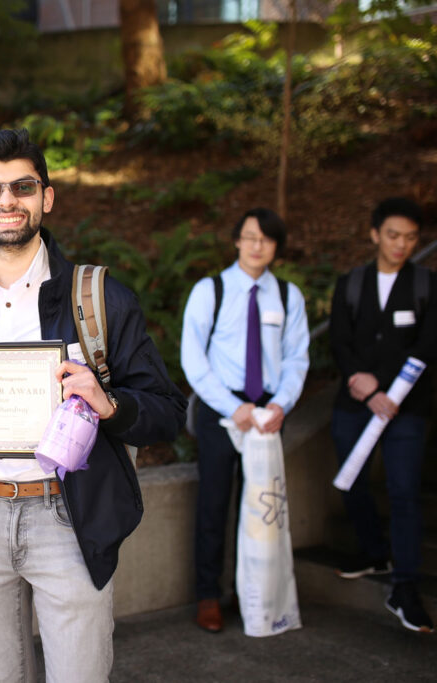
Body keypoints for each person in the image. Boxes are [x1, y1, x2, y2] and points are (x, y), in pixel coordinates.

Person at [0, 129, 186, 682]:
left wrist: (109, 404)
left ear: (46, 197)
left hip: (68, 516)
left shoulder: (98, 298)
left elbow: (168, 412)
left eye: (22, 186)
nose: (7, 201)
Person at [180, 208, 310, 633]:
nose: (258, 246)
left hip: (269, 414)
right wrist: (228, 406)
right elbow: (193, 359)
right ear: (237, 240)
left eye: (267, 239)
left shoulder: (288, 297)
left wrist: (282, 405)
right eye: (250, 237)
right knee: (214, 505)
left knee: (260, 507)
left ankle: (251, 593)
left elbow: (296, 358)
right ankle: (208, 596)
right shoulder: (210, 290)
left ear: (276, 247)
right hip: (225, 412)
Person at [329, 197, 436, 633]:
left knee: (405, 491)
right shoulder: (351, 283)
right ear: (375, 234)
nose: (402, 244)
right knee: (349, 479)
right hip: (354, 402)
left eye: (411, 237)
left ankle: (405, 586)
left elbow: (428, 346)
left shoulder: (428, 286)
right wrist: (360, 379)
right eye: (393, 235)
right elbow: (338, 340)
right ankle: (375, 550)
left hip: (408, 409)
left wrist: (386, 390)